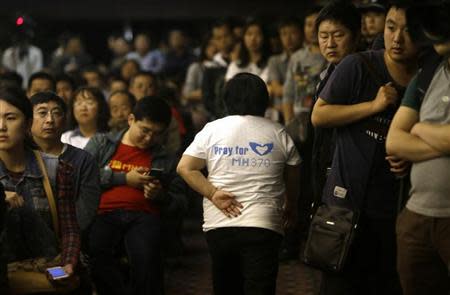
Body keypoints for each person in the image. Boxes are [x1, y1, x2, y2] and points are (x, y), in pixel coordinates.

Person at [311, 2, 418, 293]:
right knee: (339, 281)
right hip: (346, 200)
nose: (396, 38)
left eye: (407, 30)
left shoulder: (428, 74)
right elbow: (319, 117)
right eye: (391, 28)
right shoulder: (357, 65)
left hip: (397, 203)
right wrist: (374, 106)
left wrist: (410, 152)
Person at [177, 73, 301, 295]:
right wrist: (290, 204)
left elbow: (185, 168)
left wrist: (213, 193)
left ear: (226, 100)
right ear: (265, 101)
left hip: (219, 224)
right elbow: (295, 169)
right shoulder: (277, 131)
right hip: (264, 223)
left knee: (225, 287)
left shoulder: (212, 129)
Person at [85, 96, 181, 295]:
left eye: (156, 134)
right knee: (96, 251)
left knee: (146, 257)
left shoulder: (166, 158)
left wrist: (161, 196)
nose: (148, 139)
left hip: (144, 214)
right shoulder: (102, 143)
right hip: (103, 212)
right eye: (144, 130)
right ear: (131, 120)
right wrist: (123, 179)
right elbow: (83, 176)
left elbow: (181, 202)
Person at [386, 1, 450, 294]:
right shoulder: (428, 74)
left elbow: (408, 134)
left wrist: (420, 128)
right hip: (416, 216)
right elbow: (394, 140)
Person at [0, 87, 80, 280]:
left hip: (44, 267)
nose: (1, 126)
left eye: (10, 118)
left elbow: (69, 228)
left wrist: (68, 263)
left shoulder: (54, 169)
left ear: (28, 124)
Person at [311, 0, 362, 208]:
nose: (330, 43)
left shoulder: (362, 69)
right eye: (324, 36)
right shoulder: (326, 73)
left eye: (338, 35)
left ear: (357, 36)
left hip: (352, 168)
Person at [30, 91, 100, 233]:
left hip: (71, 236)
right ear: (28, 120)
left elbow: (86, 212)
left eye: (56, 113)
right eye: (42, 113)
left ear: (65, 119)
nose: (50, 119)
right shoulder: (19, 156)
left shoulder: (83, 160)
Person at [225, 19, 271, 83]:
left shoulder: (271, 63)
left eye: (258, 34)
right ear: (243, 37)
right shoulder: (236, 64)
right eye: (249, 34)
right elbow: (229, 88)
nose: (253, 38)